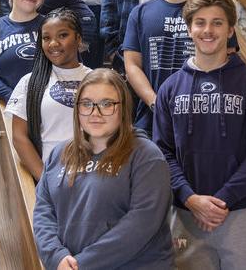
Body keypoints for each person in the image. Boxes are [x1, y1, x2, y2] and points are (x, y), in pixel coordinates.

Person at [153, 0, 246, 270]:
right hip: (187, 215)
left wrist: (222, 200)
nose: (208, 30)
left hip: (245, 212)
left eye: (217, 23)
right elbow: (163, 153)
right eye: (200, 22)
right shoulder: (169, 89)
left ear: (231, 29)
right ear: (189, 28)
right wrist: (190, 197)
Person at [33, 69, 173, 270]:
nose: (95, 113)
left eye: (107, 104)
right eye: (87, 104)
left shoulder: (147, 156)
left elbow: (141, 224)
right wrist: (57, 256)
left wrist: (82, 264)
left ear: (123, 108)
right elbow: (43, 212)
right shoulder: (60, 154)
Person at [122, 0, 201, 135]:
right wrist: (156, 103)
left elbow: (226, 60)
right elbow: (131, 65)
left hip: (202, 117)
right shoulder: (140, 13)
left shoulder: (212, 11)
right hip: (151, 121)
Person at [7, 8, 91, 181]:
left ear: (78, 39)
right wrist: (45, 181)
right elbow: (19, 137)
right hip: (51, 176)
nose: (53, 43)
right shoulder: (29, 82)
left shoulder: (96, 79)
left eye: (62, 35)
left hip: (92, 179)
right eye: (46, 38)